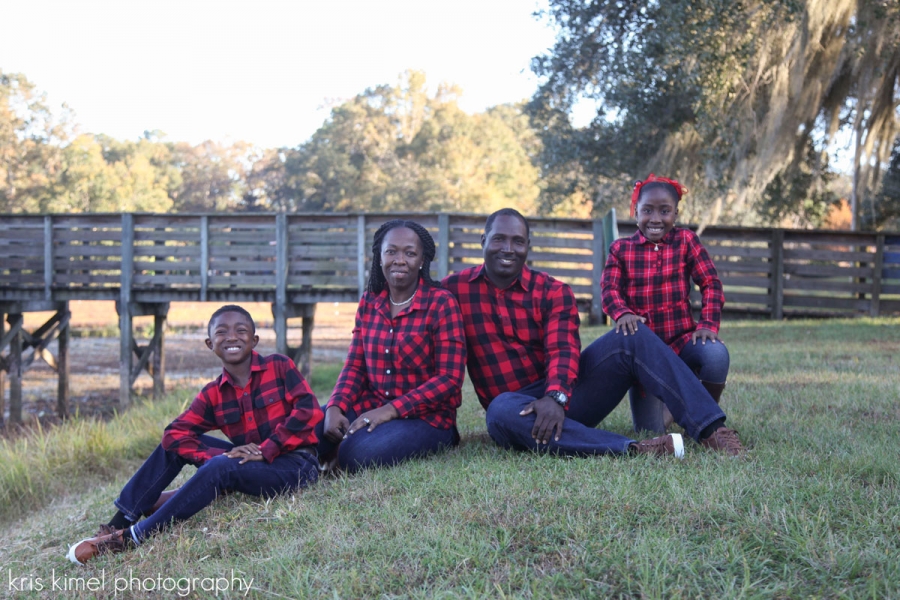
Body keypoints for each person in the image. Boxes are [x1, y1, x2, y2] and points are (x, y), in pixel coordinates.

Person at [442, 208, 745, 459]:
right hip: (516, 412)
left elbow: (564, 348)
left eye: (517, 241)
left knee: (631, 334)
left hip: (570, 398)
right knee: (499, 410)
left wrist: (555, 396)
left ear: (527, 246)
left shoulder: (553, 291)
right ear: (483, 240)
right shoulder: (452, 290)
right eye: (499, 240)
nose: (508, 249)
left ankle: (711, 430)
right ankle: (635, 449)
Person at [67, 305, 323, 565]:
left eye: (241, 330)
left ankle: (133, 537)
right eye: (222, 332)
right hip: (248, 465)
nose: (232, 337)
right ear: (210, 344)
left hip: (296, 465)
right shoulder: (213, 393)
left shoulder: (279, 366)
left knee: (222, 467)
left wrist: (266, 448)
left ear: (254, 340)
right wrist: (217, 456)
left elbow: (309, 411)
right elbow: (174, 434)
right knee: (177, 446)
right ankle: (119, 522)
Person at [318, 220, 466, 472]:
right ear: (379, 257)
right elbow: (355, 365)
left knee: (357, 453)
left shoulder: (441, 303)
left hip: (427, 418)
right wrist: (335, 406)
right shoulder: (369, 301)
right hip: (371, 404)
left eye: (410, 253)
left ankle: (333, 457)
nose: (400, 260)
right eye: (391, 251)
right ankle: (308, 461)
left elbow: (449, 379)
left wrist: (390, 410)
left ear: (422, 260)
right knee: (306, 428)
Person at [603, 174, 729, 433]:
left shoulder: (686, 241)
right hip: (646, 355)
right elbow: (609, 290)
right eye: (647, 210)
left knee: (715, 354)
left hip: (683, 342)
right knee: (651, 431)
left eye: (665, 211)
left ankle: (703, 419)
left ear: (676, 213)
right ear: (636, 211)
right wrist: (622, 313)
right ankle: (678, 398)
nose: (656, 219)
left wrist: (708, 324)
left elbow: (710, 283)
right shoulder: (621, 249)